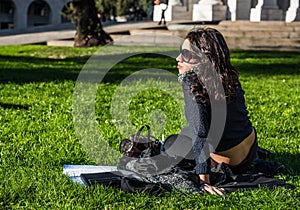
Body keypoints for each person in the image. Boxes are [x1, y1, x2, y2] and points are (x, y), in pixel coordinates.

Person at [175, 27, 259, 196]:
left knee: (173, 144)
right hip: (250, 151)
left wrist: (204, 181)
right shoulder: (229, 76)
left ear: (203, 59)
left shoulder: (191, 82)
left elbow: (200, 134)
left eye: (185, 55)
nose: (178, 59)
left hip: (228, 162)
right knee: (186, 133)